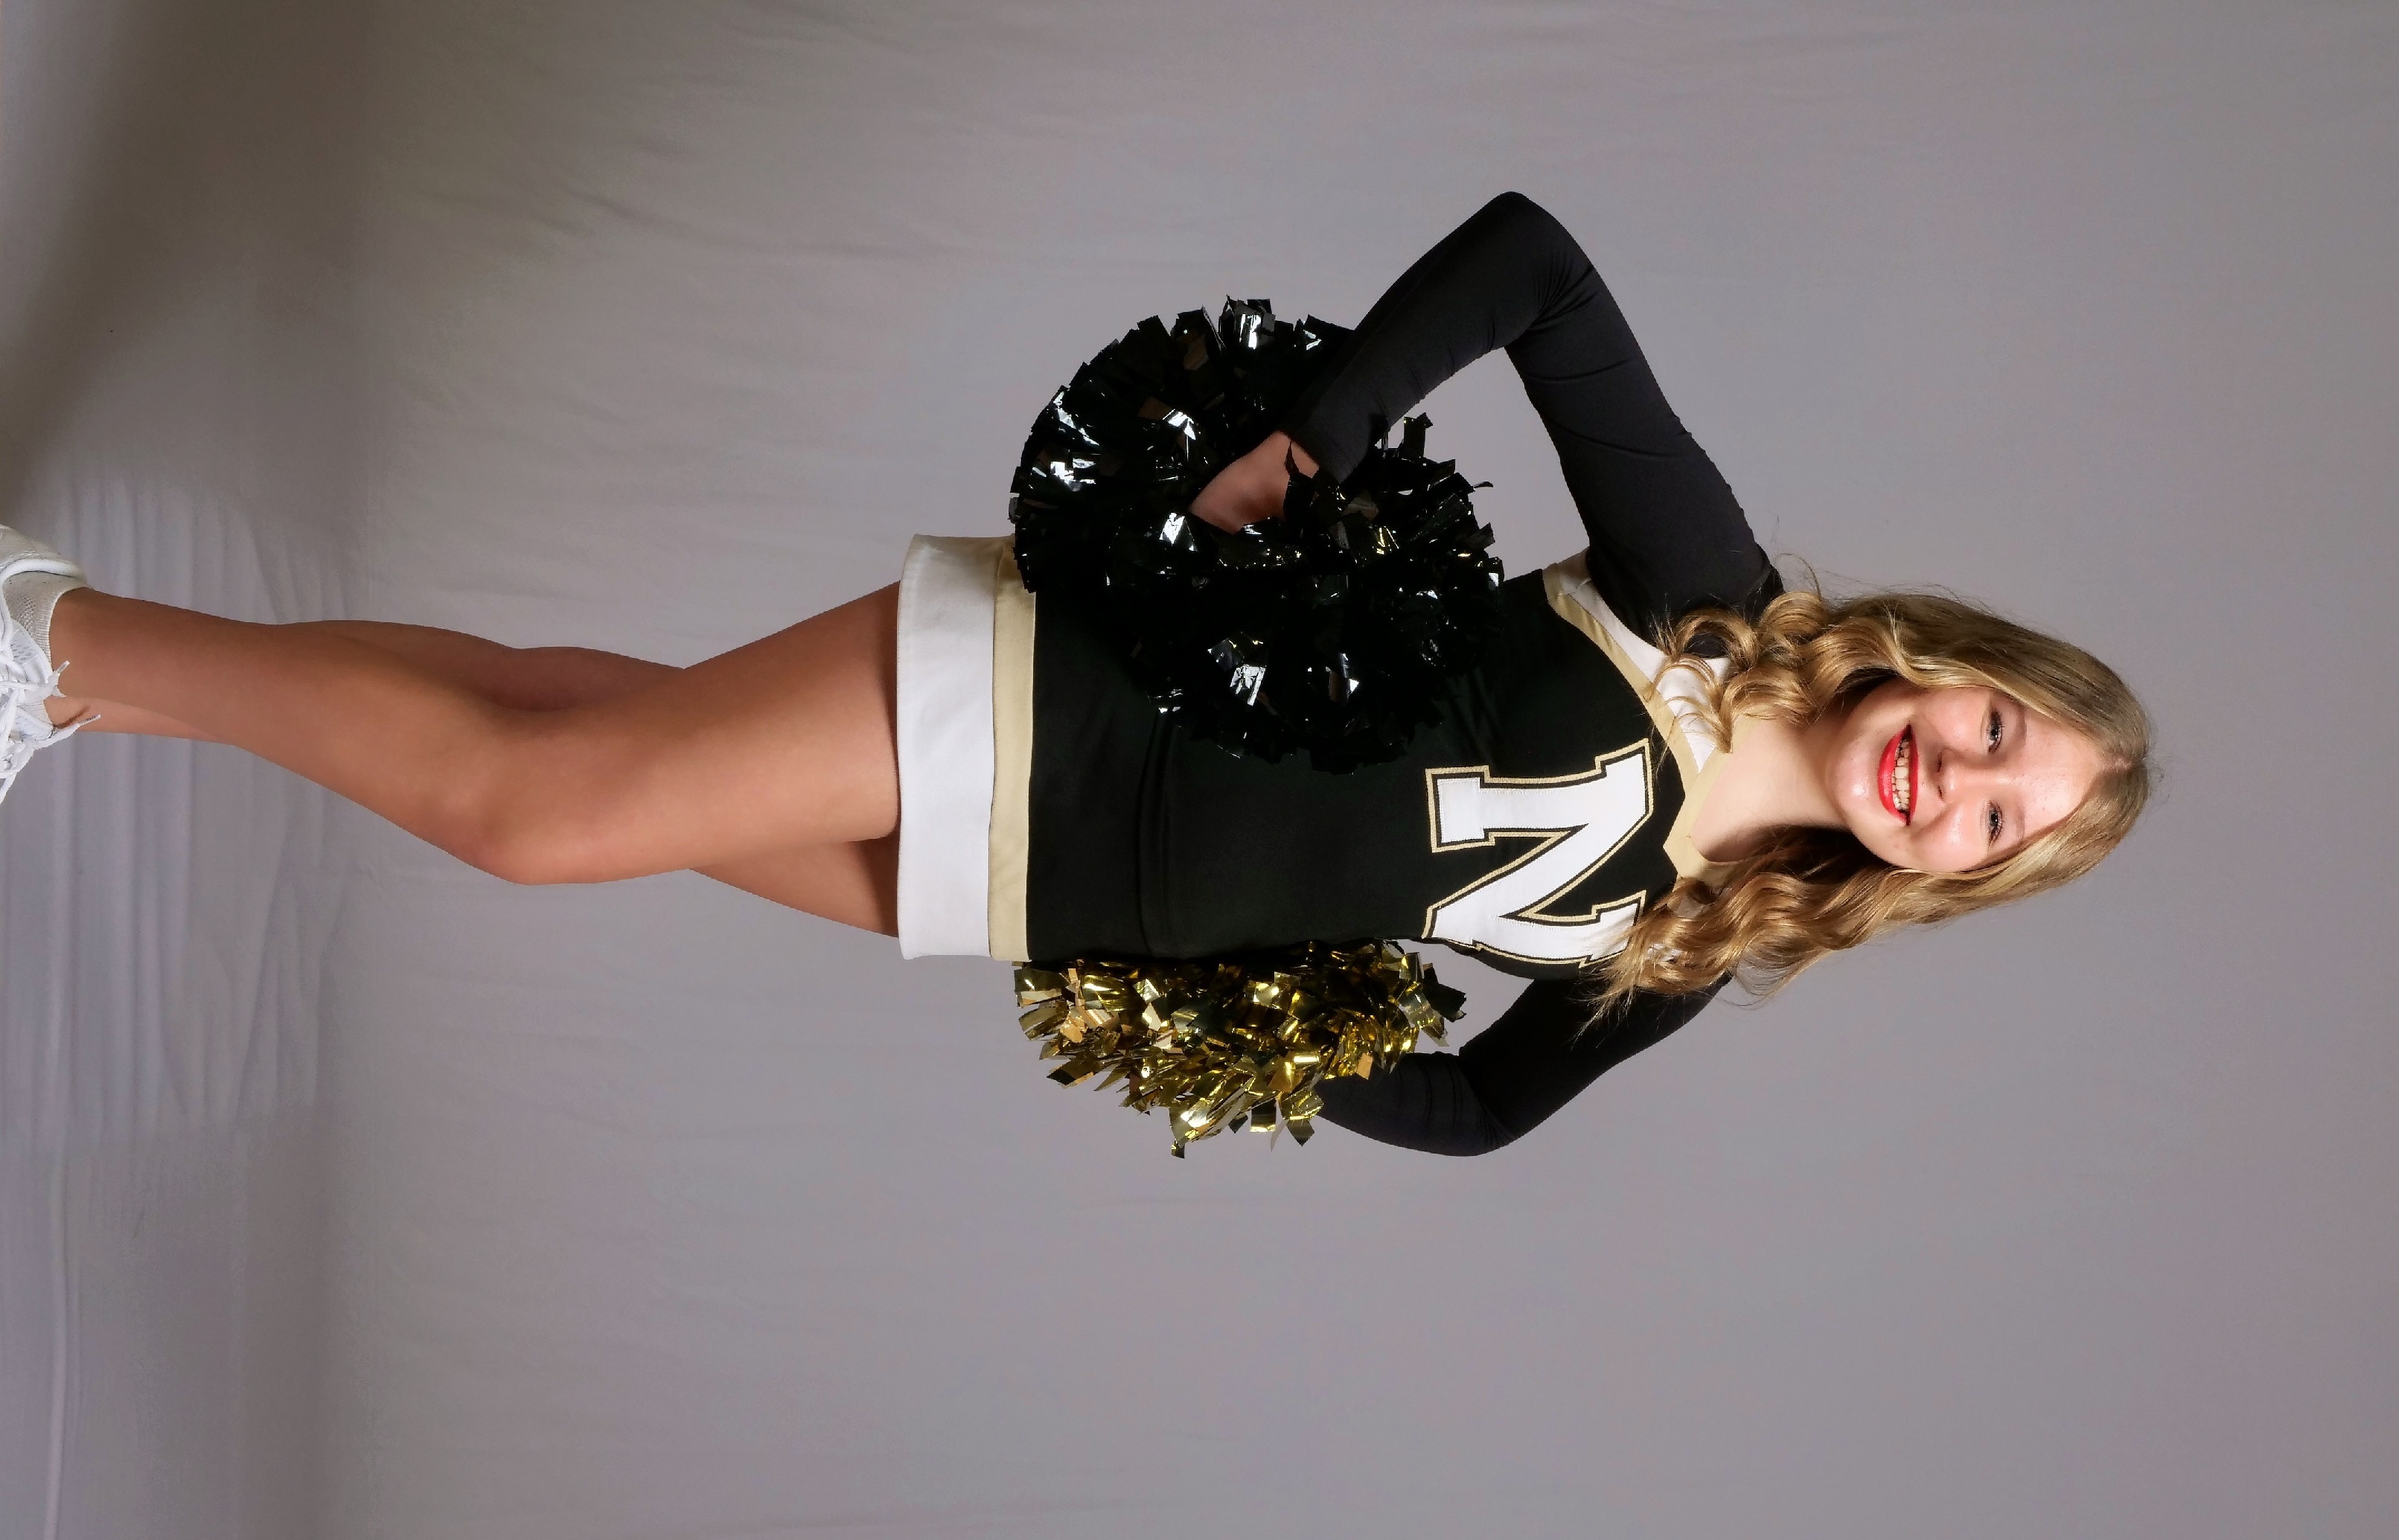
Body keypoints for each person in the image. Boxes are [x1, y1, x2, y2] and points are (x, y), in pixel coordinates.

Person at [0, 193, 2152, 1154]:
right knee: (540, 817)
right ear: (1960, 664)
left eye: (1996, 821)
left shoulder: (1693, 946)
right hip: (1088, 695)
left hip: (1074, 898)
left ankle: (87, 663)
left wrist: (1256, 1017)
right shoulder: (1711, 602)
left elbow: (1485, 1114)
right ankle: (52, 642)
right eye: (1997, 730)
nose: (1954, 780)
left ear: (1958, 877)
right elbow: (1539, 266)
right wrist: (1315, 437)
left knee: (572, 723)